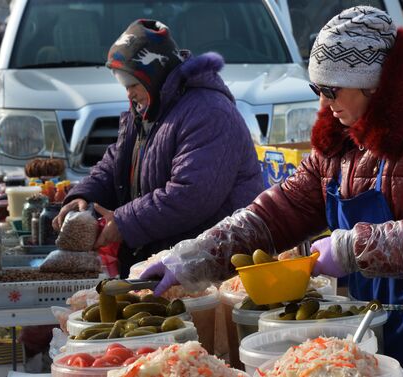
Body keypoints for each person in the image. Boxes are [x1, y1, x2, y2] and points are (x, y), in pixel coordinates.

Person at [139, 6, 403, 377]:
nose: (323, 103)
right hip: (378, 324)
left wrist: (350, 250)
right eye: (317, 89)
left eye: (331, 89)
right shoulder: (341, 144)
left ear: (373, 83)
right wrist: (191, 259)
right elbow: (274, 214)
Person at [53, 19, 263, 277]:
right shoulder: (147, 110)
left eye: (132, 83)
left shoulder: (209, 112)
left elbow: (192, 194)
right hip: (172, 262)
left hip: (213, 265)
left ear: (153, 75)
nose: (128, 93)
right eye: (123, 83)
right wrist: (82, 197)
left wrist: (124, 222)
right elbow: (115, 165)